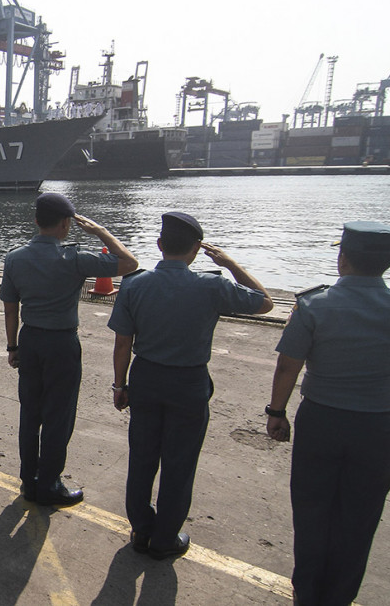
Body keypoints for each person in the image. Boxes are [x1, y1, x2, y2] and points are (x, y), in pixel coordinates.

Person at [265, 222, 390, 604]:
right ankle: (339, 597)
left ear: (343, 258)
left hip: (321, 422)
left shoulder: (315, 304)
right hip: (378, 428)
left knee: (311, 512)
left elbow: (287, 366)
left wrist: (276, 412)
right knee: (360, 519)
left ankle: (307, 594)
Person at [107, 212, 271, 557]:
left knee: (142, 457)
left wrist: (120, 386)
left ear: (159, 244)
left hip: (146, 377)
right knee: (179, 463)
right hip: (188, 382)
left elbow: (122, 343)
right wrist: (230, 264)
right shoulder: (212, 286)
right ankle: (165, 538)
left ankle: (141, 529)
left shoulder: (134, 284)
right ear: (196, 249)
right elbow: (265, 302)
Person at [0, 193, 137, 505]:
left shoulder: (14, 258)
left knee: (30, 413)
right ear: (66, 223)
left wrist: (12, 346)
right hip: (62, 344)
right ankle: (49, 483)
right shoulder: (75, 258)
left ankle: (29, 482)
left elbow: (10, 308)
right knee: (58, 415)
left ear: (37, 220)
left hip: (29, 339)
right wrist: (101, 232)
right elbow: (130, 263)